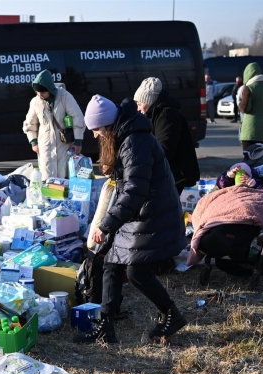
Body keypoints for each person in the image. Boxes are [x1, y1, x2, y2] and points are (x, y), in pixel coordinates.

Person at [76, 95, 187, 345]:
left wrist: (106, 225)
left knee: (136, 270)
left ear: (106, 124)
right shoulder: (127, 136)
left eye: (96, 130)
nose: (94, 136)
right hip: (143, 210)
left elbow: (135, 191)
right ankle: (106, 324)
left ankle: (172, 314)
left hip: (154, 212)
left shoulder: (134, 141)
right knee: (111, 262)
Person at [134, 77, 199, 194]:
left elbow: (164, 148)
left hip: (178, 177)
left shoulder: (166, 114)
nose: (138, 109)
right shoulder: (155, 113)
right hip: (171, 175)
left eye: (139, 104)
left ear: (148, 101)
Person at [22, 69, 85, 180]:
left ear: (50, 89)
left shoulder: (65, 96)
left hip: (65, 145)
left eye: (43, 92)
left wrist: (78, 141)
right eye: (37, 92)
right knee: (47, 177)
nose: (40, 95)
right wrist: (33, 142)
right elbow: (29, 124)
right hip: (45, 146)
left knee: (66, 175)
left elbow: (78, 117)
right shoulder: (35, 101)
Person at [239, 62, 263, 150]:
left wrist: (240, 104)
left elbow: (245, 109)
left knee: (249, 158)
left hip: (251, 130)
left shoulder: (249, 88)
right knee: (261, 157)